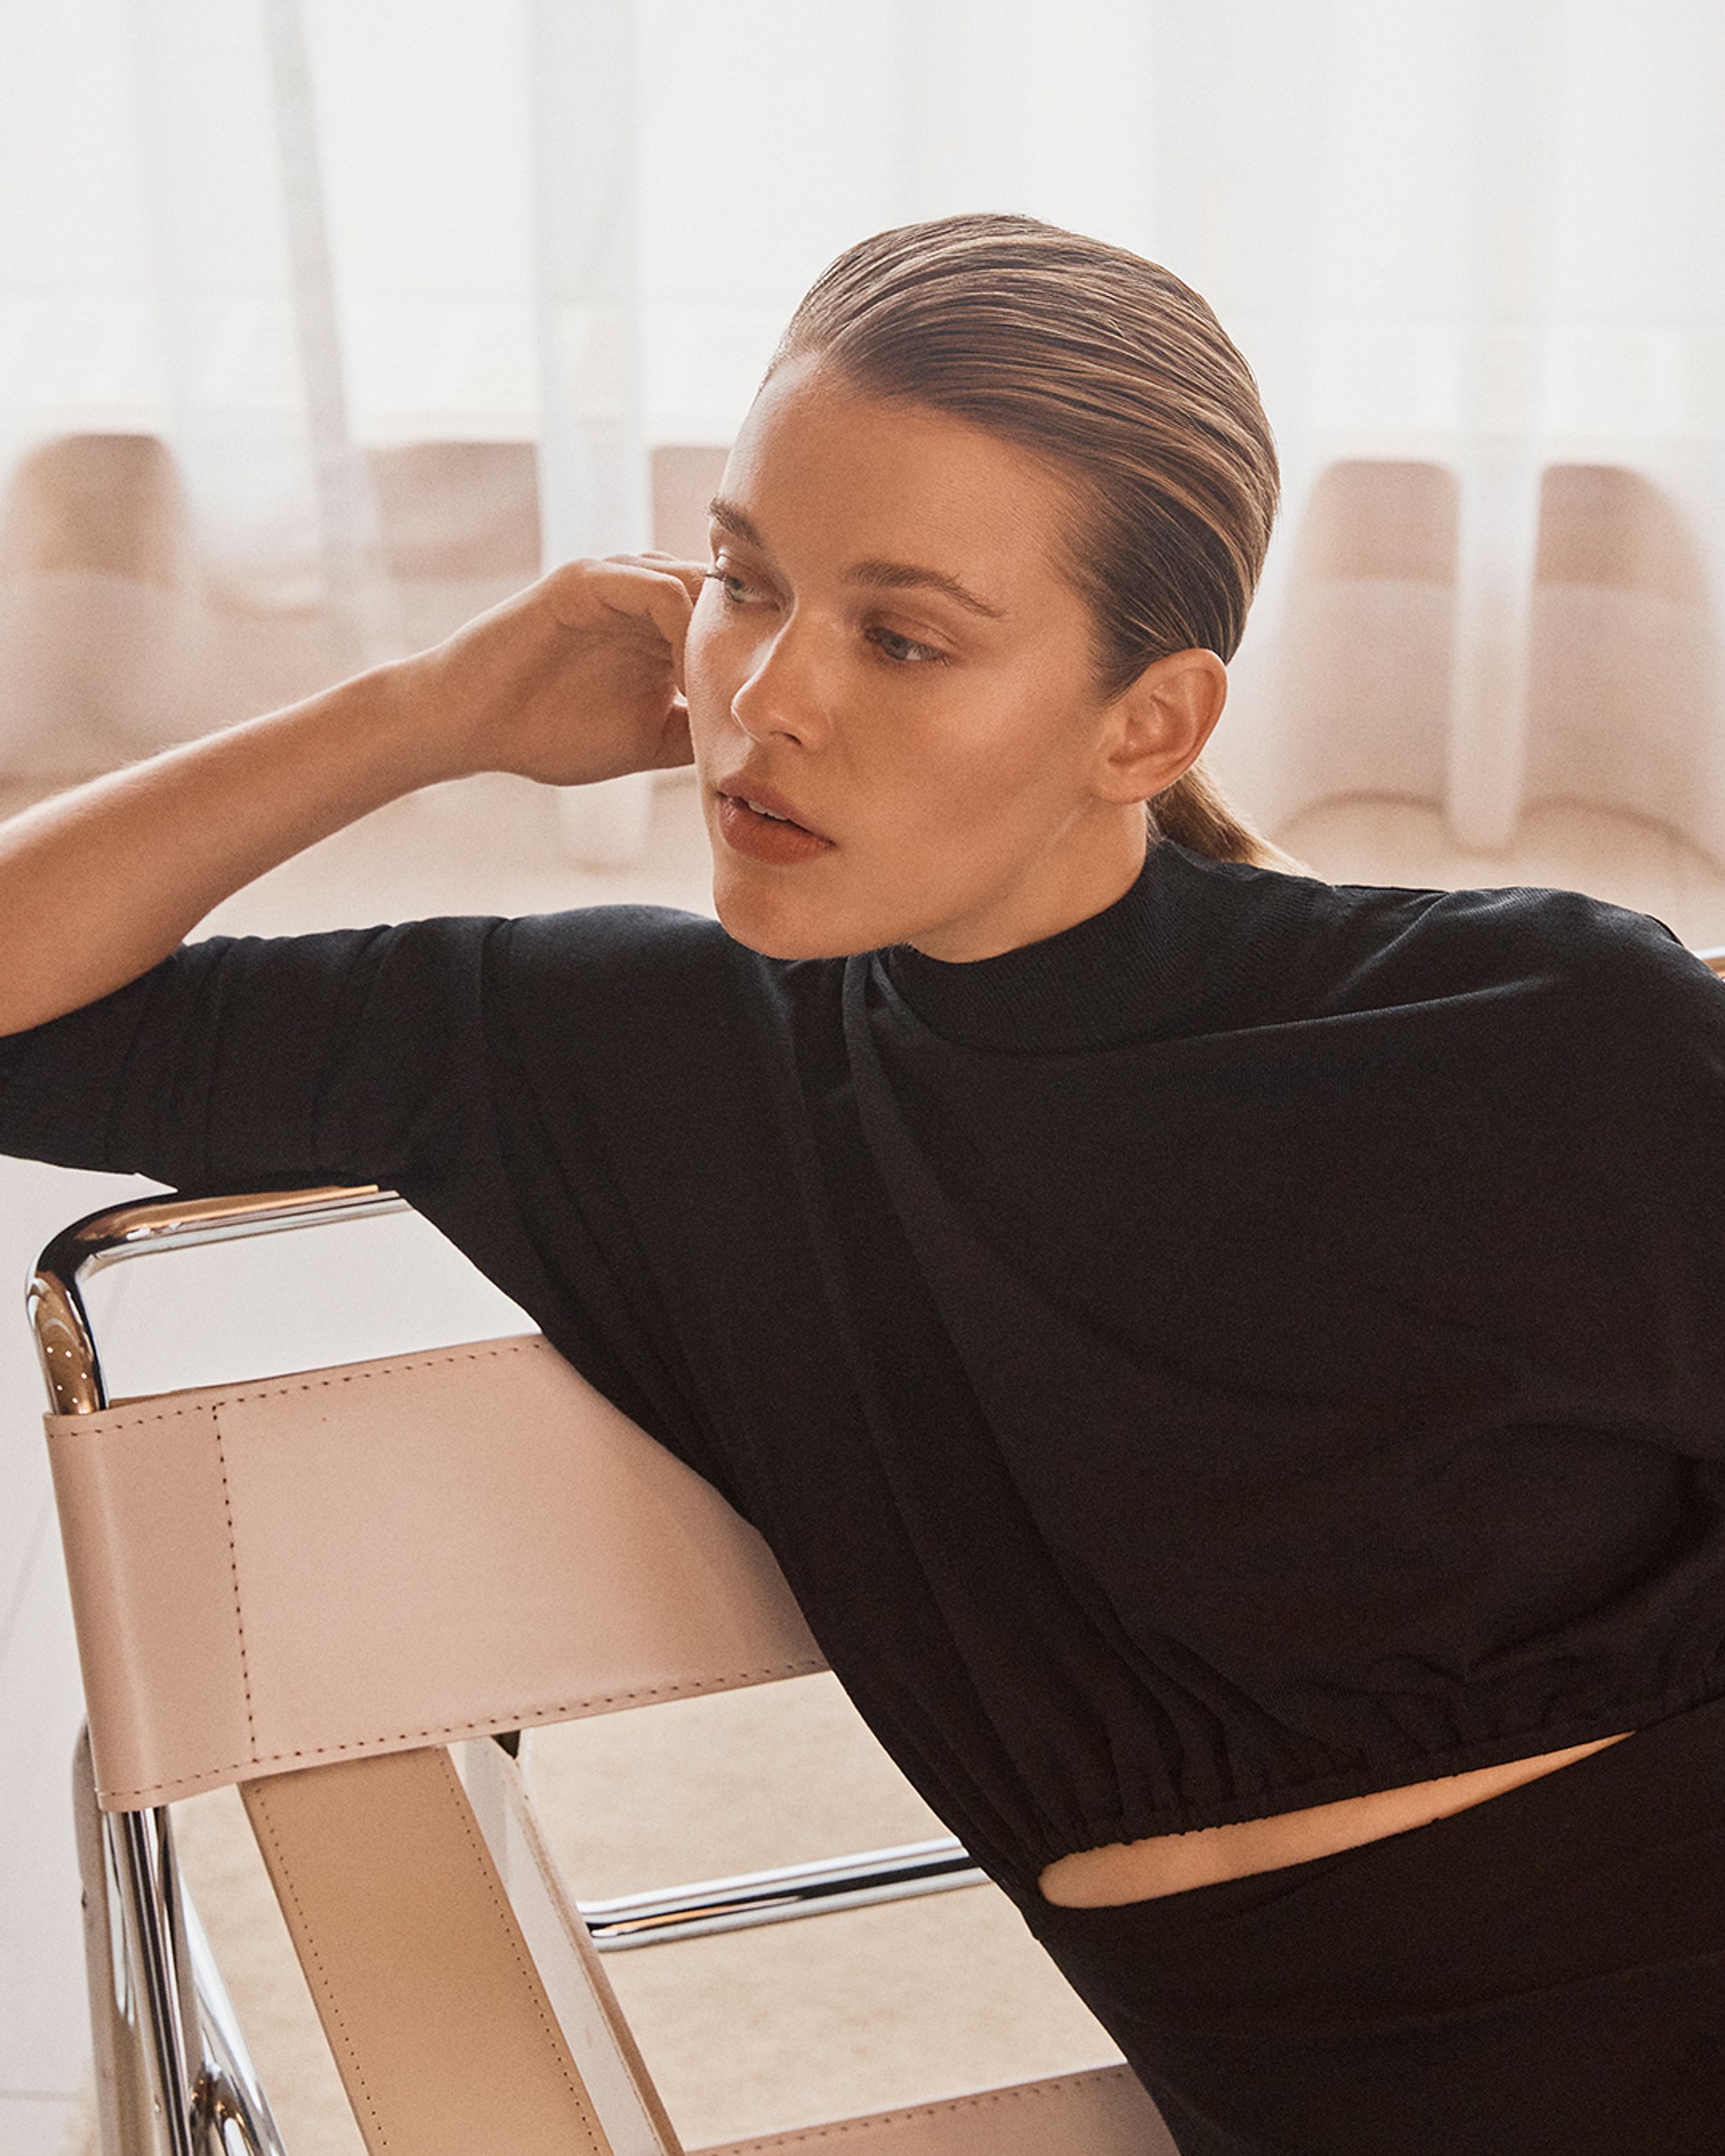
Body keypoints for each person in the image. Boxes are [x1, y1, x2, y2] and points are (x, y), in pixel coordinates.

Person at [4, 212, 1725, 2155]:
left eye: (901, 636)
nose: (769, 697)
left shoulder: (1532, 1024)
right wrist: (424, 715)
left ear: (1146, 723)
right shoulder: (625, 1064)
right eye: (744, 582)